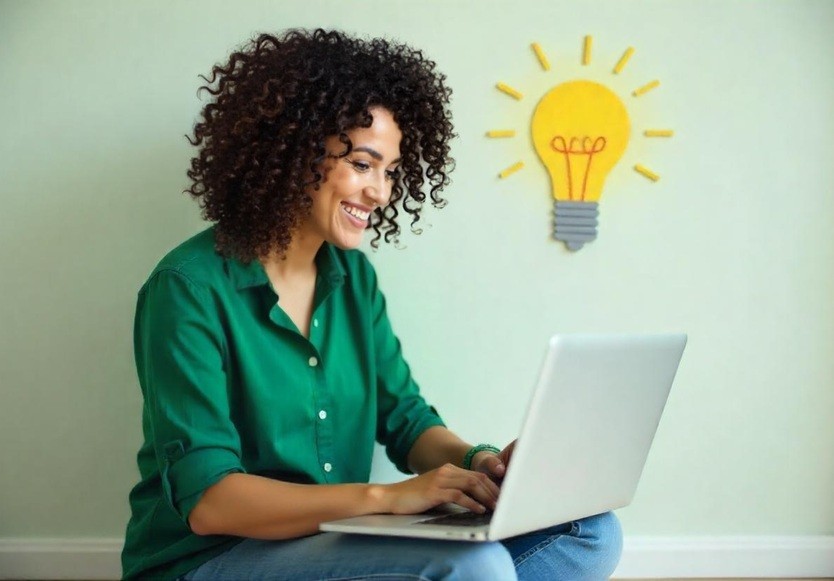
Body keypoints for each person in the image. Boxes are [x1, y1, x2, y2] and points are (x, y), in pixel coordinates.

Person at [121, 28, 622, 580]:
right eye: (363, 165)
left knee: (590, 532)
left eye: (389, 171)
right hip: (212, 559)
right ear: (291, 150)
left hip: (334, 540)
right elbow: (211, 502)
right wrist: (387, 497)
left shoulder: (352, 276)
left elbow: (405, 421)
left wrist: (482, 465)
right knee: (477, 567)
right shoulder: (187, 288)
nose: (381, 193)